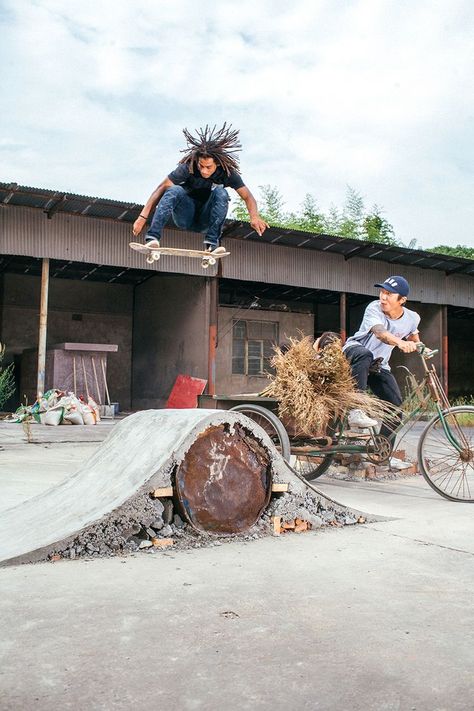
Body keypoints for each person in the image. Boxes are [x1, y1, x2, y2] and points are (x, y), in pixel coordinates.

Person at [132, 123, 269, 252]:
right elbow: (161, 188)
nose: (204, 171)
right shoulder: (188, 167)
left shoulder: (227, 173)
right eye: (201, 166)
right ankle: (153, 238)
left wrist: (254, 216)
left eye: (208, 167)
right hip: (185, 216)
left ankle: (211, 244)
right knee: (174, 190)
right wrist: (142, 217)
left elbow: (247, 196)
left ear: (218, 164)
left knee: (221, 192)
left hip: (206, 218)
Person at [342, 276, 421, 431]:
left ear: (402, 300)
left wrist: (421, 347)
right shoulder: (374, 308)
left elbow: (414, 338)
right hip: (354, 354)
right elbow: (380, 333)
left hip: (378, 365)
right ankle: (355, 411)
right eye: (382, 292)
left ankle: (382, 452)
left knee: (395, 409)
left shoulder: (413, 318)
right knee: (366, 354)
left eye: (389, 294)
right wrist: (401, 343)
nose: (383, 298)